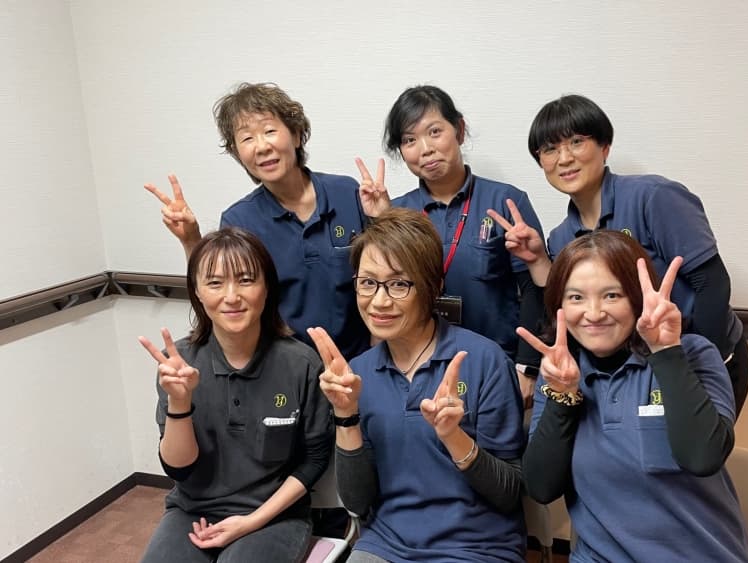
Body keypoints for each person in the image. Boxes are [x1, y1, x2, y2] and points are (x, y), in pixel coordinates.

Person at [489, 94, 748, 414]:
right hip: (636, 369)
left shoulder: (653, 197)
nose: (564, 158)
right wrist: (539, 260)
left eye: (576, 142)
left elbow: (712, 283)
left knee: (696, 444)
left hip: (699, 353)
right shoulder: (561, 237)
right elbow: (566, 306)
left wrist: (705, 363)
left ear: (604, 147)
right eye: (550, 149)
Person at [307, 208, 526, 562]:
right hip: (386, 545)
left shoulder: (484, 361)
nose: (379, 301)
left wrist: (454, 437)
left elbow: (510, 494)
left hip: (476, 547)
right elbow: (357, 504)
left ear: (433, 286)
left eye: (399, 284)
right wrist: (346, 415)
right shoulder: (357, 375)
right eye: (367, 283)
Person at [520, 230, 748, 563]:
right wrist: (563, 397)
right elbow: (541, 487)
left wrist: (666, 353)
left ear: (638, 297)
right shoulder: (559, 374)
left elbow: (703, 457)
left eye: (612, 295)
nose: (594, 313)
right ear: (559, 306)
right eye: (576, 297)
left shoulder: (694, 354)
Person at [138, 227, 333, 563]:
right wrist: (179, 403)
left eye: (245, 280)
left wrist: (251, 522)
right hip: (192, 510)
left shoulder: (301, 363)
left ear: (267, 287)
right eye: (215, 283)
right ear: (197, 291)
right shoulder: (179, 364)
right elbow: (179, 470)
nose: (231, 296)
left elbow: (315, 459)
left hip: (274, 515)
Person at [144, 82, 369, 358]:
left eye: (269, 131)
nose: (261, 147)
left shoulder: (346, 192)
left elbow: (384, 272)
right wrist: (191, 239)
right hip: (288, 367)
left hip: (361, 359)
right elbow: (219, 294)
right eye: (247, 138)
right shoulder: (240, 219)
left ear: (296, 135)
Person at [357, 85, 546, 407]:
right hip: (417, 368)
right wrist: (383, 222)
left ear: (459, 130)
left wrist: (527, 366)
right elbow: (383, 290)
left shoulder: (505, 201)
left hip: (495, 367)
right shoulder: (398, 211)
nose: (425, 149)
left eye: (434, 132)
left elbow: (532, 287)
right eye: (410, 140)